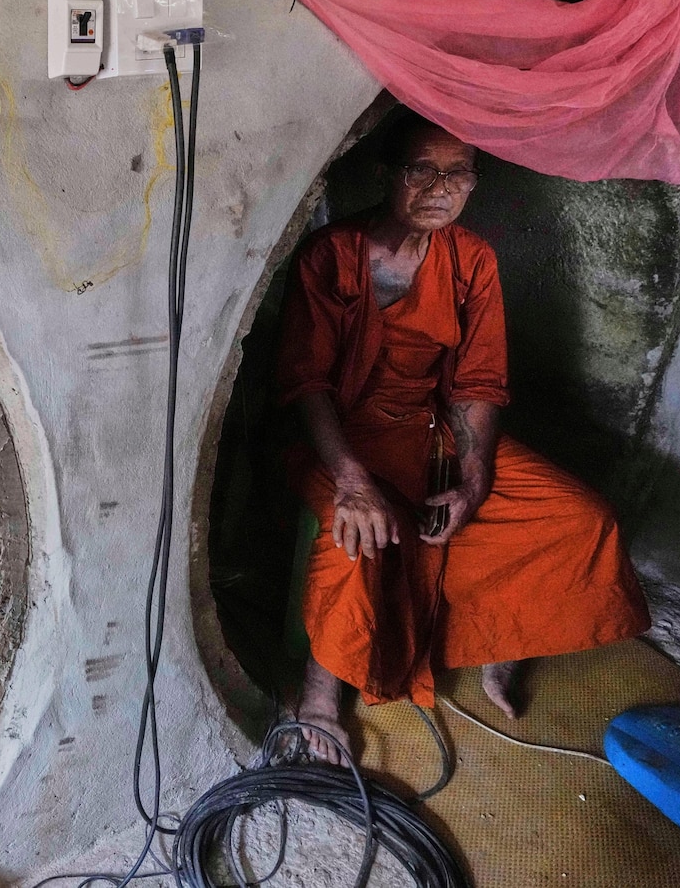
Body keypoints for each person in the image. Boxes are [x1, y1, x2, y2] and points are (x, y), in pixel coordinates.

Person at [276, 111, 649, 763]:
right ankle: (319, 694)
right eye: (422, 170)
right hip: (338, 440)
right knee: (356, 537)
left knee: (577, 517)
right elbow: (305, 382)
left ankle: (505, 639)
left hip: (430, 431)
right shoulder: (330, 255)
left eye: (459, 175)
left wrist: (474, 481)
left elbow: (479, 379)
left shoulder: (471, 258)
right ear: (388, 174)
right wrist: (352, 480)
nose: (441, 188)